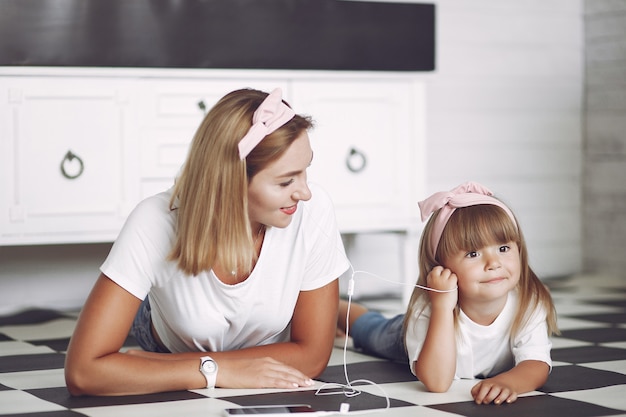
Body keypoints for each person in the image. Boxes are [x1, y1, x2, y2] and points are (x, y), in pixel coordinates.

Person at [65, 88, 350, 396]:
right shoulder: (154, 220)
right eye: (285, 182)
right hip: (163, 323)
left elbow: (312, 357)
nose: (304, 192)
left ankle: (350, 312)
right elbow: (83, 372)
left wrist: (173, 367)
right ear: (232, 179)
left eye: (306, 170)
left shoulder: (312, 208)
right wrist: (220, 370)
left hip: (198, 345)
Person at [338, 181, 559, 405]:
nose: (494, 263)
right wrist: (442, 306)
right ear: (441, 265)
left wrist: (510, 382)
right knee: (371, 329)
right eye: (473, 254)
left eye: (503, 249)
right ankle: (338, 309)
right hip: (406, 337)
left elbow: (537, 362)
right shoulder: (429, 307)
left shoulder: (529, 302)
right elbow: (437, 382)